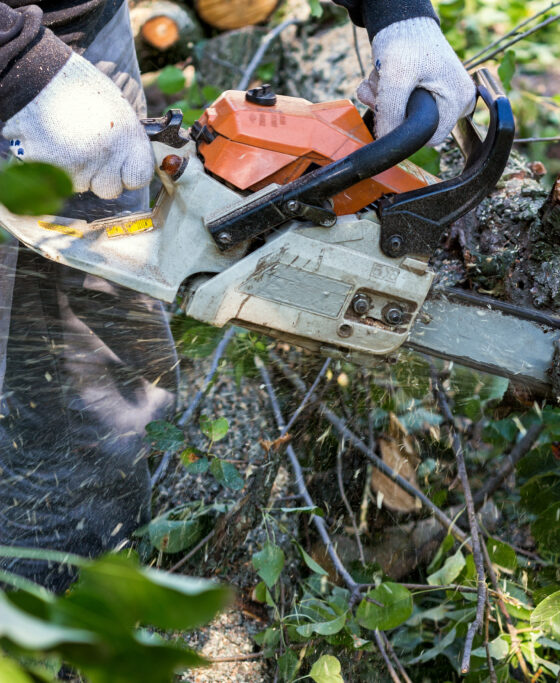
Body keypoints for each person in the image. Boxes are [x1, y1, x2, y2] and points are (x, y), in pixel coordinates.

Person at [0, 0, 475, 592]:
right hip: (22, 56)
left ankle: (76, 602)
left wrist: (398, 14)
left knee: (95, 398)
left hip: (78, 29)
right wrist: (16, 67)